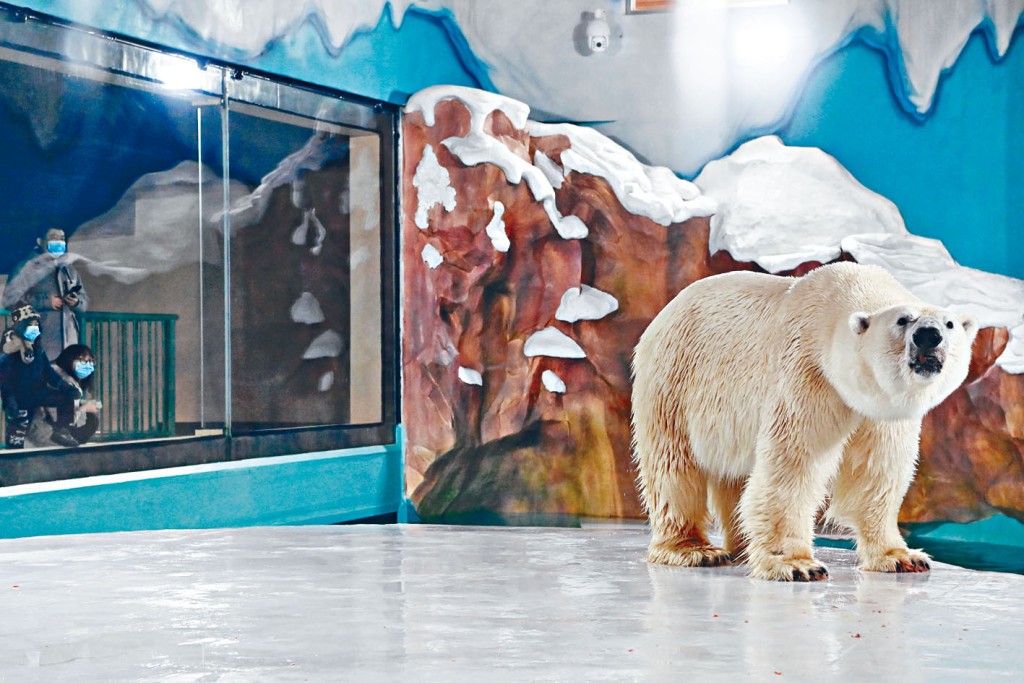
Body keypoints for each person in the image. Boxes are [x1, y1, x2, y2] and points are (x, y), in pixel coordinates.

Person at [0, 304, 82, 448]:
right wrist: (10, 400)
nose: (34, 327)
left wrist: (64, 387)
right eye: (30, 324)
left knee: (65, 399)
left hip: (38, 393)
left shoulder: (39, 351)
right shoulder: (10, 355)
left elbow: (49, 373)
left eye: (36, 324)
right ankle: (14, 453)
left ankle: (61, 431)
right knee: (17, 436)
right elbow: (5, 380)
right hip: (20, 399)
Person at [2, 228, 89, 360]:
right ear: (40, 241)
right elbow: (10, 299)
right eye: (53, 237)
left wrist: (77, 302)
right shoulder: (27, 267)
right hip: (38, 340)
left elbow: (84, 301)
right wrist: (45, 301)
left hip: (68, 342)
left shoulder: (69, 269)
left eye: (61, 238)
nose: (59, 242)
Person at [31, 344, 102, 446]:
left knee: (92, 413)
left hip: (45, 428)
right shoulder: (60, 379)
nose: (87, 364)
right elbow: (61, 418)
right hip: (44, 433)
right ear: (69, 359)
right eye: (81, 360)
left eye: (90, 361)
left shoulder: (67, 380)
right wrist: (84, 408)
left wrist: (84, 404)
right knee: (90, 418)